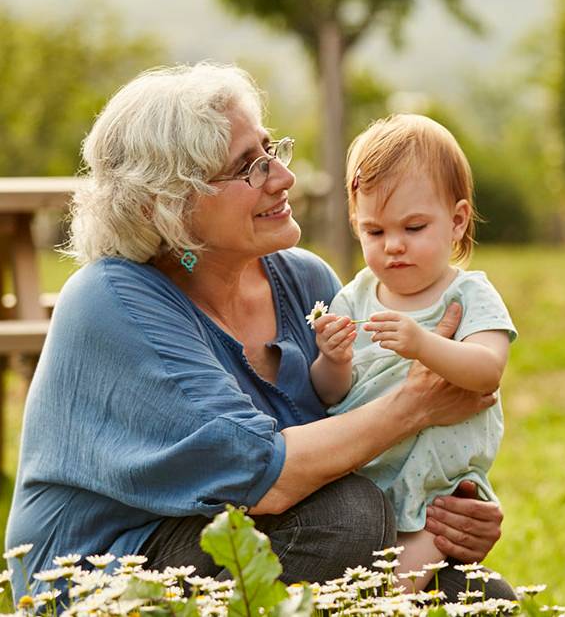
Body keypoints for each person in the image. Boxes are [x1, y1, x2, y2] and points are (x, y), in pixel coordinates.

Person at [5, 63, 515, 603]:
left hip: (260, 538)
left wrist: (453, 506)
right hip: (108, 576)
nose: (283, 177)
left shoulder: (305, 280)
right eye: (249, 167)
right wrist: (418, 404)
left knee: (483, 599)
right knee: (349, 517)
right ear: (169, 205)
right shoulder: (111, 300)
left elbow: (358, 428)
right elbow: (263, 478)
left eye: (272, 151)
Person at [309, 114, 515, 590]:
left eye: (414, 227)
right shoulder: (354, 296)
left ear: (457, 221)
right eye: (375, 232)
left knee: (388, 588)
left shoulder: (468, 295)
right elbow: (328, 394)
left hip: (437, 488)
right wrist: (333, 361)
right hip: (368, 472)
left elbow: (487, 371)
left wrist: (425, 343)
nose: (394, 247)